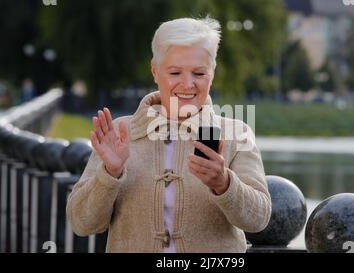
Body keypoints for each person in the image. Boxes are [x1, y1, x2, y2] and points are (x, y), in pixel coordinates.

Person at [66, 17, 271, 253]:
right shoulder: (121, 132)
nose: (187, 84)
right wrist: (109, 174)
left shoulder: (237, 133)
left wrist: (224, 184)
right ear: (155, 71)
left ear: (212, 73)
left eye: (199, 73)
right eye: (175, 73)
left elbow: (258, 219)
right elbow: (81, 224)